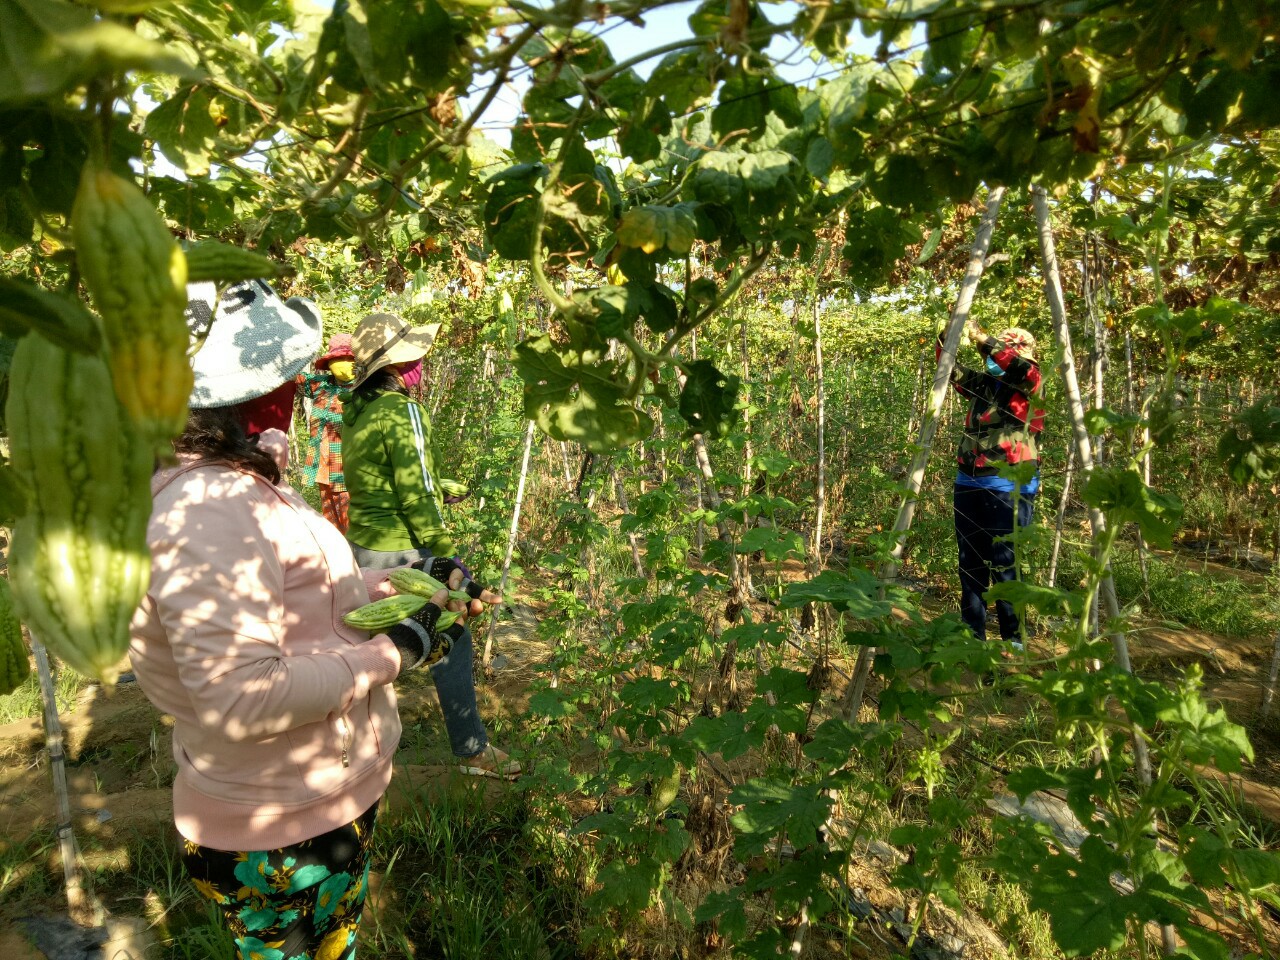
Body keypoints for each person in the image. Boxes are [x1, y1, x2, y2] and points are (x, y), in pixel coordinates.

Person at [129, 280, 471, 960]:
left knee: (333, 947)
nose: (294, 387)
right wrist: (396, 651)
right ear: (243, 395)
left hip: (320, 801)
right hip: (276, 831)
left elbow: (296, 595)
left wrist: (403, 586)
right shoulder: (208, 509)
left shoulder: (239, 481)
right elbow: (242, 696)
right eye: (282, 374)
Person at [342, 311, 520, 780]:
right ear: (400, 363)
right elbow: (414, 493)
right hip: (406, 550)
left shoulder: (357, 415)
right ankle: (472, 749)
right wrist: (448, 556)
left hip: (363, 549)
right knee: (452, 636)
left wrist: (436, 482)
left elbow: (381, 480)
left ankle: (351, 752)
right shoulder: (403, 412)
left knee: (367, 642)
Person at [942, 324, 1045, 649]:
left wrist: (982, 337)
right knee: (969, 561)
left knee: (1003, 561)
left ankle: (1013, 638)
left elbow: (1017, 366)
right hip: (968, 480)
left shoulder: (1032, 382)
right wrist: (948, 335)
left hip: (1009, 483)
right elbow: (951, 372)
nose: (994, 358)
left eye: (1001, 352)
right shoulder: (985, 385)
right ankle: (972, 634)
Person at [298, 332, 357, 531]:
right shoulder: (320, 385)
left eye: (348, 359)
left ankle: (355, 560)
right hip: (321, 466)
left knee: (349, 522)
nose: (343, 364)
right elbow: (292, 377)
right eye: (338, 359)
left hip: (345, 468)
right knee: (330, 523)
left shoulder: (361, 391)